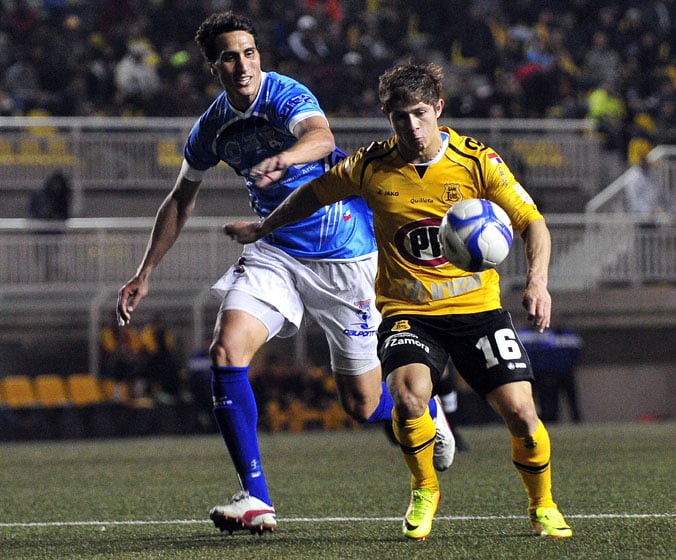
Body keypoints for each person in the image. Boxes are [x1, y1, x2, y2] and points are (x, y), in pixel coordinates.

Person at [115, 12, 453, 536]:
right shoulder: (211, 128)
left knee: (362, 405)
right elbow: (180, 199)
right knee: (226, 350)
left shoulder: (284, 93)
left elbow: (321, 139)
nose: (244, 64)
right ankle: (256, 497)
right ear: (215, 67)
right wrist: (145, 272)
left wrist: (283, 159)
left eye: (249, 52)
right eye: (231, 55)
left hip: (344, 253)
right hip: (275, 250)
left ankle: (424, 403)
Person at [225, 62, 573, 540]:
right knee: (409, 401)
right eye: (399, 117)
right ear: (387, 117)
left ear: (438, 110)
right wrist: (263, 228)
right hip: (410, 313)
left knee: (522, 414)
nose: (411, 126)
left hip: (478, 311)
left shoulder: (477, 161)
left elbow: (533, 223)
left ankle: (543, 504)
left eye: (419, 114)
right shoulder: (371, 166)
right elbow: (313, 195)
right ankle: (425, 488)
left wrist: (537, 281)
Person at [518, 323, 583, 423]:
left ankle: (575, 420)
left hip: (561, 371)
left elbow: (576, 350)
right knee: (537, 398)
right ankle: (540, 419)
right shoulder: (526, 334)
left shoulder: (563, 334)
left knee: (569, 398)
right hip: (533, 372)